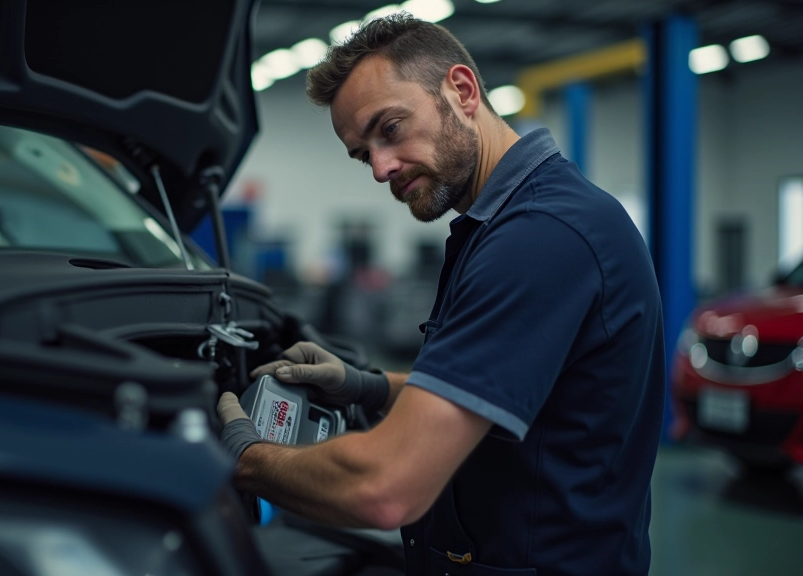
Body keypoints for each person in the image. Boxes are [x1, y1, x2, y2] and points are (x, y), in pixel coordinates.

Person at [217, 13, 665, 576]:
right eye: (363, 154)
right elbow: (488, 390)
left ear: (461, 89)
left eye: (391, 129)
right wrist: (366, 387)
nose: (380, 168)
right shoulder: (507, 224)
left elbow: (385, 488)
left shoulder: (542, 237)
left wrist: (246, 458)